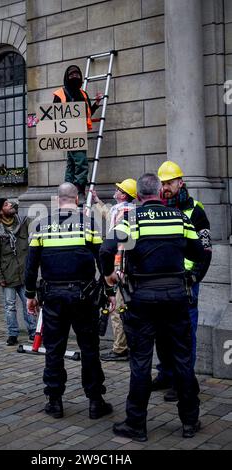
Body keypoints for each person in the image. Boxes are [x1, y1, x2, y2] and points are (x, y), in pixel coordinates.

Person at [100, 173, 205, 442]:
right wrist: (192, 278)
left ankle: (136, 424)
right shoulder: (180, 218)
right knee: (182, 360)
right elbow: (199, 253)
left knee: (141, 363)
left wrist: (109, 277)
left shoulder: (131, 220)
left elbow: (106, 250)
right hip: (176, 298)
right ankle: (190, 421)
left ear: (138, 196)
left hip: (142, 301)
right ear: (160, 192)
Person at [25, 182, 114, 419]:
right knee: (89, 349)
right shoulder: (88, 224)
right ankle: (95, 401)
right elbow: (102, 259)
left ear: (57, 200)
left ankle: (54, 402)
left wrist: (30, 295)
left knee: (54, 349)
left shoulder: (40, 225)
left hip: (52, 297)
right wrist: (109, 292)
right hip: (84, 297)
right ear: (76, 200)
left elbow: (31, 266)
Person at [152, 161, 212, 401]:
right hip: (161, 282)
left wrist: (194, 276)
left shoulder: (195, 210)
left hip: (185, 283)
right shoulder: (154, 208)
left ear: (180, 183)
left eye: (169, 183)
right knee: (162, 333)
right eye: (162, 183)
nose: (165, 187)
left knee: (185, 334)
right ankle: (166, 373)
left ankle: (183, 380)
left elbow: (205, 250)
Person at [91, 179, 137, 361]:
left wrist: (114, 270)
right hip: (123, 266)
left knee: (117, 308)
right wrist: (96, 200)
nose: (115, 190)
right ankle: (124, 344)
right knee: (121, 307)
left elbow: (121, 241)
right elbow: (107, 214)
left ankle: (120, 349)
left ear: (124, 194)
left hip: (118, 266)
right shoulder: (122, 210)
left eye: (118, 189)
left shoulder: (123, 212)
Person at [0, 198, 36, 346]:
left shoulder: (24, 222)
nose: (10, 205)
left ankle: (33, 332)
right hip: (7, 274)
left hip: (24, 272)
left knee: (28, 303)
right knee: (9, 306)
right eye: (6, 204)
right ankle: (12, 334)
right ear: (0, 211)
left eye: (10, 203)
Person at [53, 65, 103, 203]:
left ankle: (67, 191)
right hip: (68, 133)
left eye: (77, 74)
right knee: (80, 162)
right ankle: (78, 191)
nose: (74, 76)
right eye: (71, 74)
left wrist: (96, 103)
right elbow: (53, 115)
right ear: (66, 77)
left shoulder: (84, 94)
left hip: (81, 132)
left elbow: (87, 114)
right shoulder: (60, 94)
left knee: (72, 164)